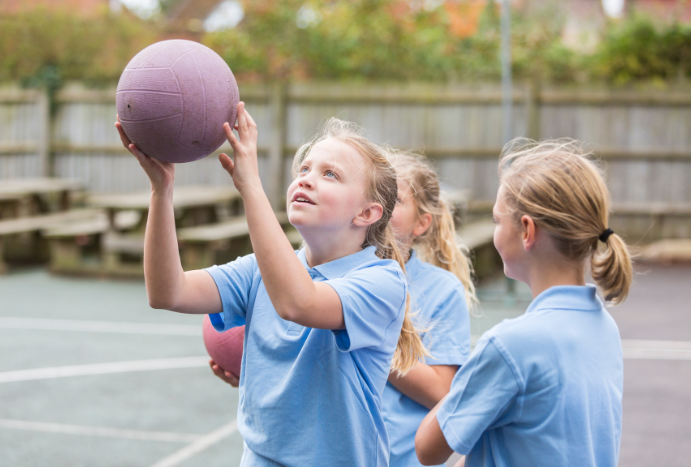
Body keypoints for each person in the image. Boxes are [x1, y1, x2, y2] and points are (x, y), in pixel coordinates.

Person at [115, 106, 427, 467]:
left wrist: (250, 185)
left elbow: (298, 303)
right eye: (305, 169)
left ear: (366, 214)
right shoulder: (259, 271)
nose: (307, 179)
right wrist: (161, 190)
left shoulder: (381, 281)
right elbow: (168, 292)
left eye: (331, 175)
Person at [415, 139, 632, 467]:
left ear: (527, 231)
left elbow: (427, 449)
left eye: (497, 221)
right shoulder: (605, 328)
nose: (495, 231)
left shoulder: (509, 346)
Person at [382, 153, 476, 467]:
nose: (379, 204)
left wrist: (372, 337)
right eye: (371, 192)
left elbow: (441, 390)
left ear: (421, 223)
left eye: (393, 198)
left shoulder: (442, 290)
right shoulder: (331, 277)